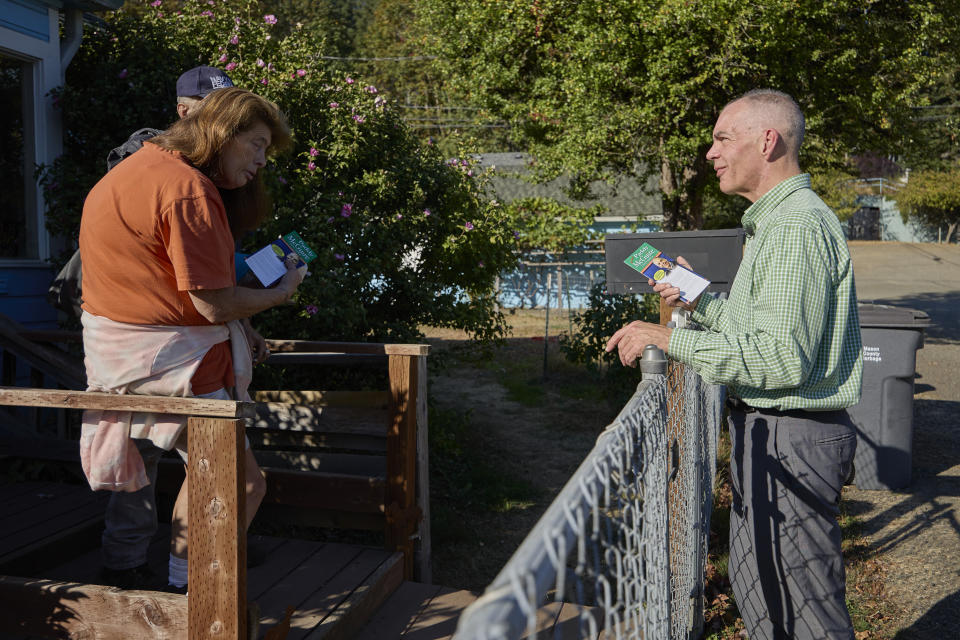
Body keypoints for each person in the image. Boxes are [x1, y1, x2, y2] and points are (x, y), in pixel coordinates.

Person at [605, 89, 863, 640]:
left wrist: (670, 341)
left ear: (766, 141)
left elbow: (779, 360)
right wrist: (695, 298)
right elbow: (755, 332)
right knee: (765, 595)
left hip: (793, 436)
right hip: (775, 434)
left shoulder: (795, 227)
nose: (710, 153)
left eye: (723, 138)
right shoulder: (772, 224)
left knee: (803, 612)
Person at [78, 87, 304, 594]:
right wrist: (280, 294)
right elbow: (214, 305)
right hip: (178, 366)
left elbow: (161, 285)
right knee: (241, 485)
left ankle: (170, 582)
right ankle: (190, 595)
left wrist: (240, 326)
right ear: (223, 133)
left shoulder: (128, 172)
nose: (263, 161)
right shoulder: (186, 188)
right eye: (258, 145)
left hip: (118, 361)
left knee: (199, 479)